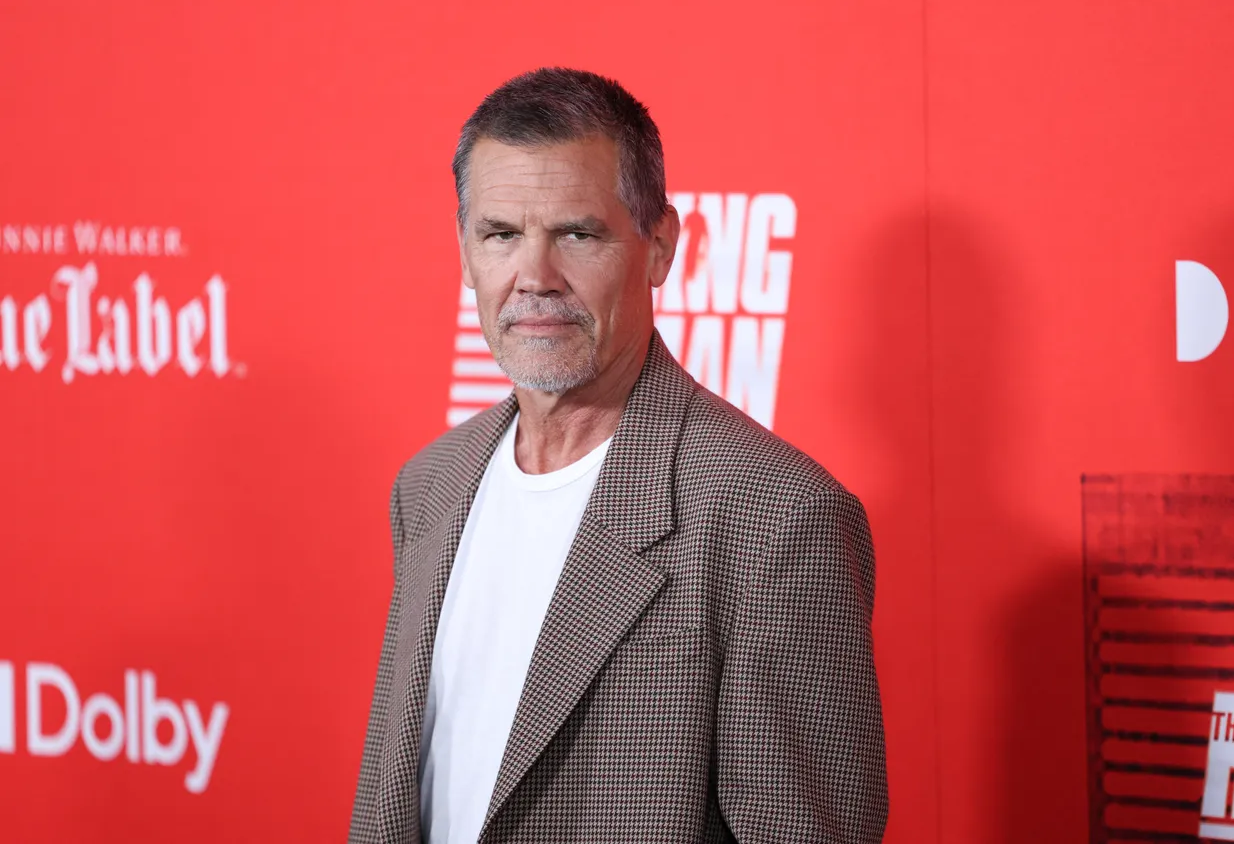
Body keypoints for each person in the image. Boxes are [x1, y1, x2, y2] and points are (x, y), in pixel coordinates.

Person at [348, 67, 888, 844]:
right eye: (501, 234)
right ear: (466, 254)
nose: (533, 278)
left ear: (659, 246)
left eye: (577, 233)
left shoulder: (776, 516)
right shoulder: (428, 487)